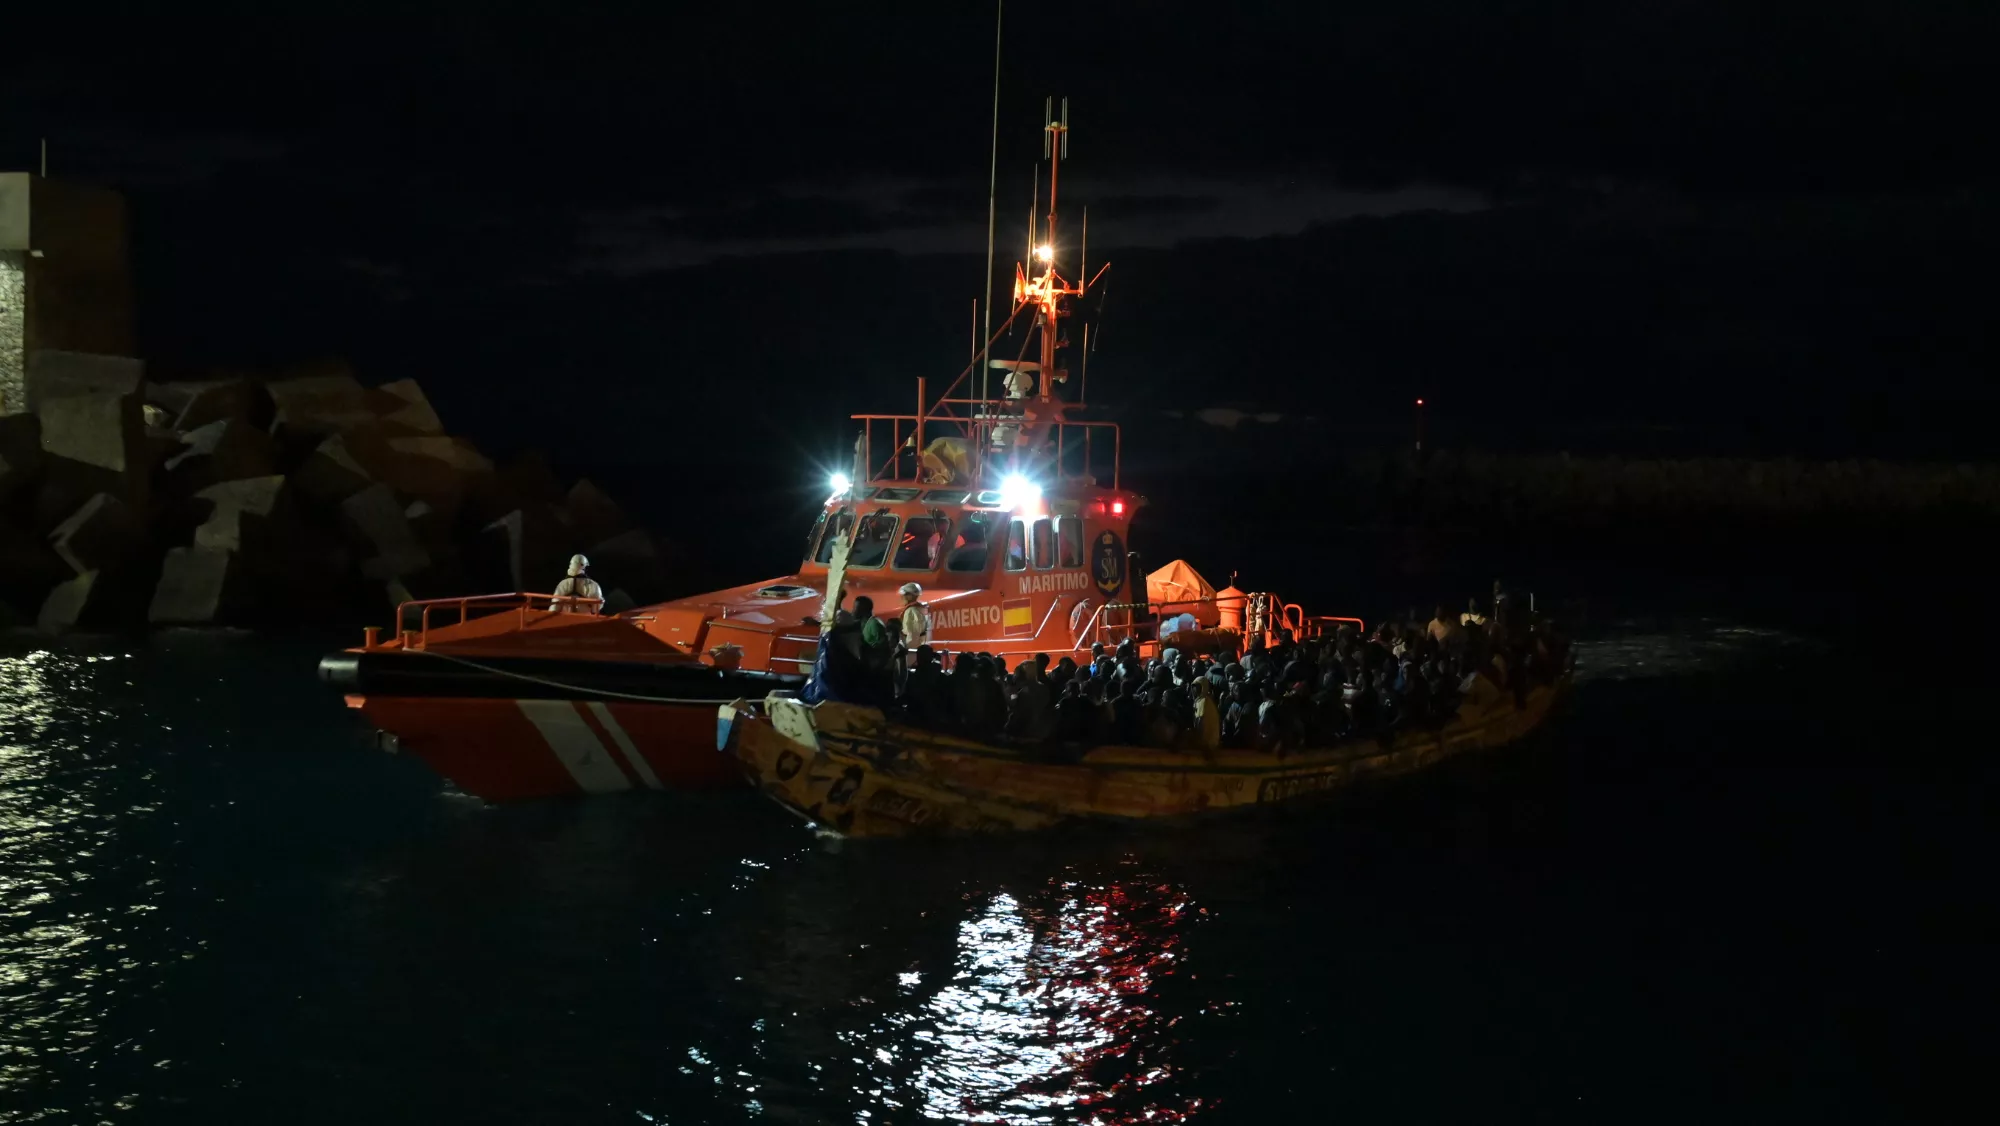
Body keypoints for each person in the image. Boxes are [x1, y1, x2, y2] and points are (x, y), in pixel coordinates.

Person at [898, 583, 932, 652]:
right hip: (922, 646)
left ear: (911, 595)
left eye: (905, 594)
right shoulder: (922, 608)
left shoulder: (911, 611)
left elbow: (912, 634)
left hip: (913, 648)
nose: (903, 597)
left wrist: (908, 650)